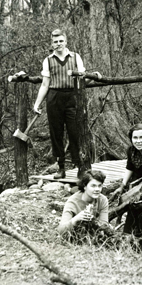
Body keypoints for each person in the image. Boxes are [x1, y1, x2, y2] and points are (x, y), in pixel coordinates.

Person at [33, 29, 102, 179]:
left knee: (75, 132)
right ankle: (61, 167)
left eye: (60, 41)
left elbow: (83, 79)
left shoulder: (75, 57)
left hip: (73, 97)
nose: (58, 44)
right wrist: (37, 104)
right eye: (55, 42)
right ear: (52, 43)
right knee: (56, 134)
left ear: (66, 41)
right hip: (54, 98)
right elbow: (45, 85)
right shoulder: (48, 60)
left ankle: (80, 167)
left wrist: (95, 76)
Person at [57, 170, 108, 235]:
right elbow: (60, 230)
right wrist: (76, 219)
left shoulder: (102, 200)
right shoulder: (72, 202)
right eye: (93, 186)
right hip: (74, 237)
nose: (97, 189)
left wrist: (94, 221)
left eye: (99, 186)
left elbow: (104, 225)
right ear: (85, 186)